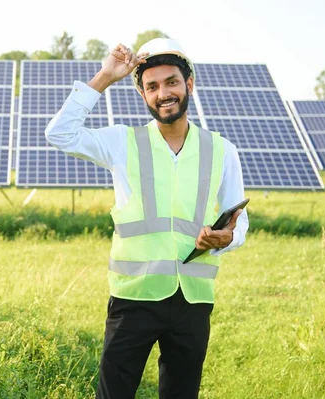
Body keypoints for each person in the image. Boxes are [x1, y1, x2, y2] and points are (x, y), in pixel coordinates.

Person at [45, 38, 249, 399]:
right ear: (142, 94)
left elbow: (239, 220)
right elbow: (60, 133)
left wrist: (226, 239)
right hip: (133, 299)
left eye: (171, 82)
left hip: (194, 299)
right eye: (151, 86)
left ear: (189, 84)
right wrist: (106, 77)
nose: (163, 93)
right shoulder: (123, 142)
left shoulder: (222, 149)